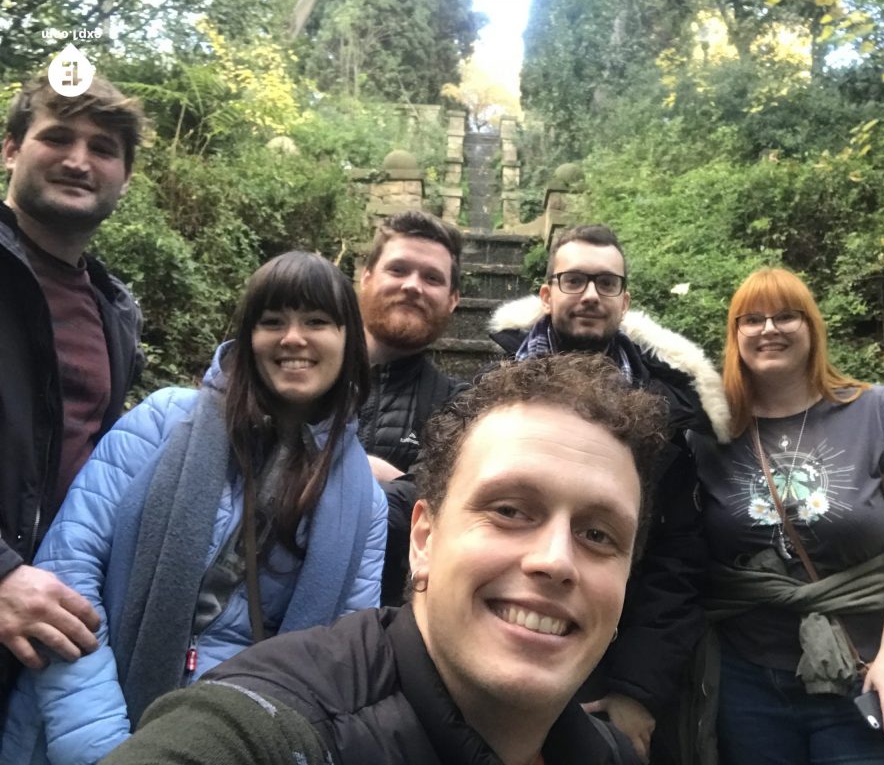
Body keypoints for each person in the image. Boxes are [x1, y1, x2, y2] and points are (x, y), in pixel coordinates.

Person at [99, 354, 668, 765]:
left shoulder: (608, 752)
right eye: (510, 511)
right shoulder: (277, 726)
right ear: (423, 539)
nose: (555, 560)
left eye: (597, 534)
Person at [1, 252, 388, 765]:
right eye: (273, 322)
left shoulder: (365, 504)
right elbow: (69, 570)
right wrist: (106, 749)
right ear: (249, 336)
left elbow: (334, 662)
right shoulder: (165, 422)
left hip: (226, 742)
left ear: (348, 340)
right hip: (75, 726)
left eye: (317, 322)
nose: (293, 338)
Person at [489, 224, 731, 763]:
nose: (591, 295)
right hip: (498, 644)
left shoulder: (668, 416)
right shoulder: (492, 394)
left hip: (609, 666)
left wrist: (637, 690)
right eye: (574, 280)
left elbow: (678, 561)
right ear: (547, 293)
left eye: (606, 282)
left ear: (626, 300)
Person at [687, 267, 884, 764]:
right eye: (752, 319)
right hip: (749, 681)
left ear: (812, 327)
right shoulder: (710, 430)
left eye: (786, 316)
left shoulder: (874, 412)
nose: (768, 329)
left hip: (865, 670)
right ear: (734, 333)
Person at [0, 73, 145, 719]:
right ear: (10, 149)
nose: (80, 160)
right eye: (56, 136)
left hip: (41, 643)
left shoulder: (113, 313)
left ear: (126, 175)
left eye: (103, 147)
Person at [356, 210, 467, 605]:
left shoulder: (463, 409)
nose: (412, 286)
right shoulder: (299, 379)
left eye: (432, 278)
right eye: (398, 269)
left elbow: (459, 517)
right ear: (366, 277)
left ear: (453, 300)